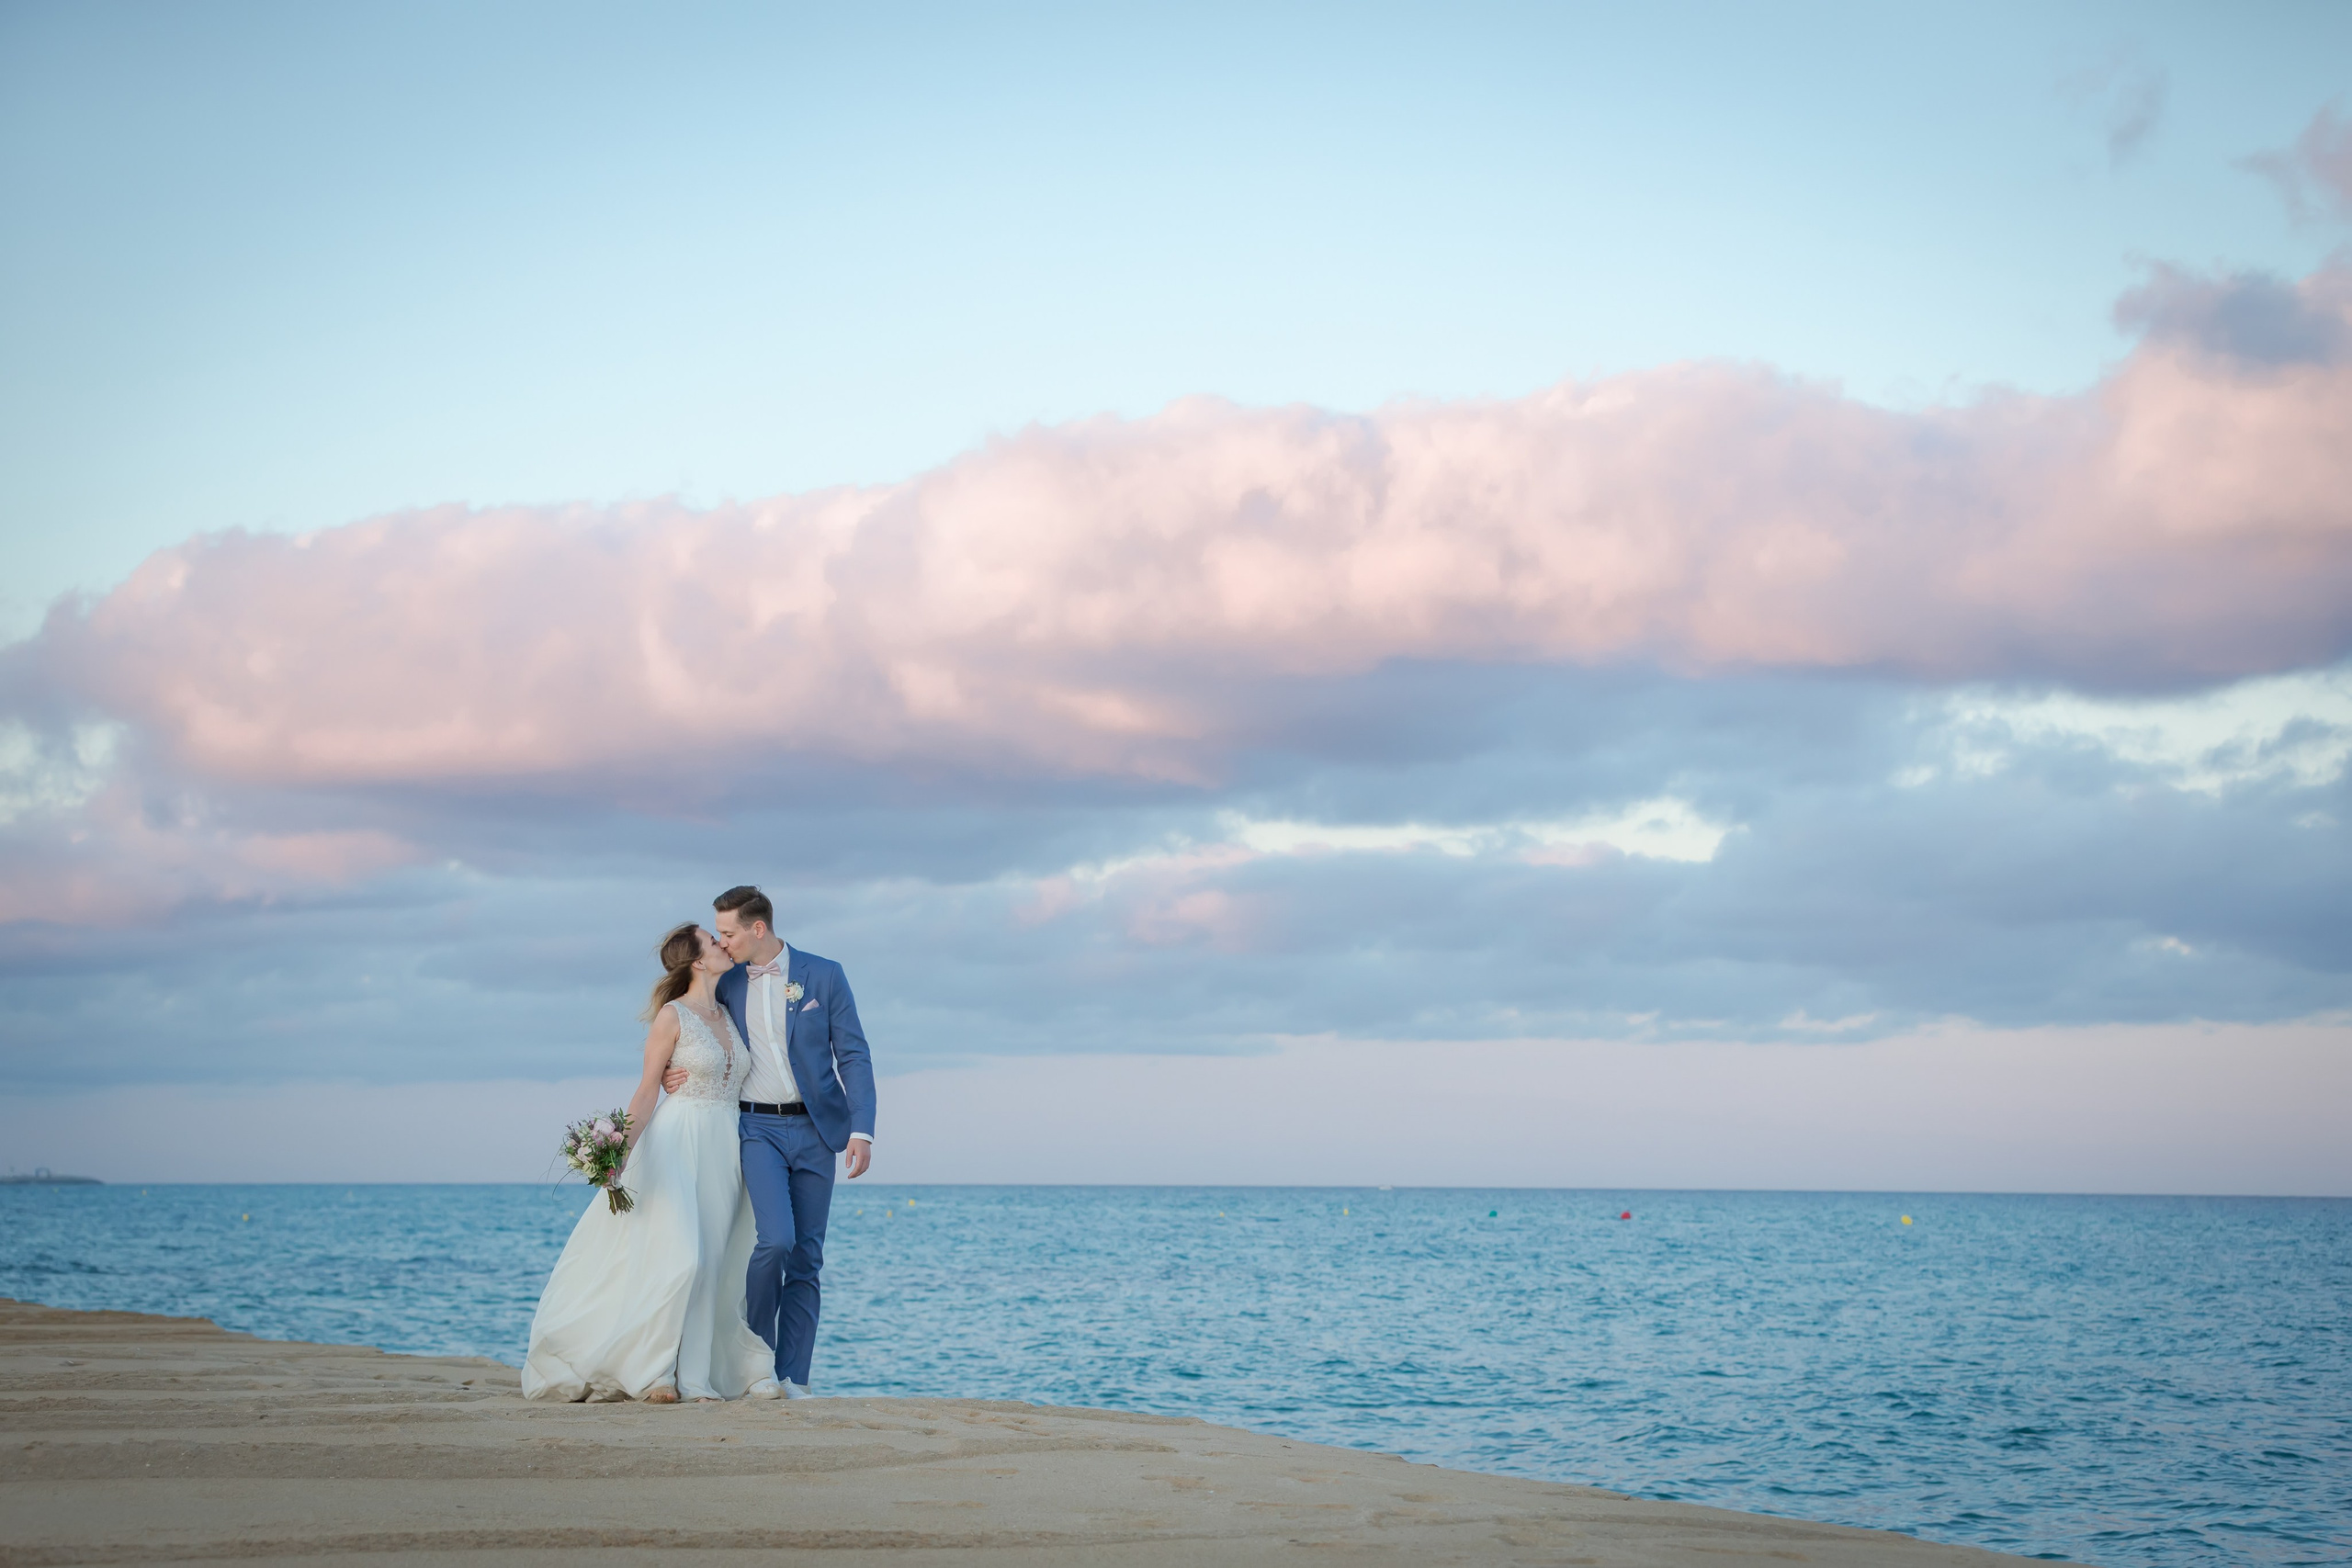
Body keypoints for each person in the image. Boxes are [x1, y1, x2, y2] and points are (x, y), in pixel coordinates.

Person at [523, 923, 781, 1403]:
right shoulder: (672, 1016)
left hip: (725, 1147)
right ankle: (655, 1372)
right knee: (683, 1257)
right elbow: (646, 1090)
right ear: (698, 961)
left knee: (715, 1264)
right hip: (678, 1141)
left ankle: (697, 1380)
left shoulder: (726, 1012)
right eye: (714, 940)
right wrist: (616, 1151)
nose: (724, 944)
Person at [661, 885, 874, 1398]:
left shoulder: (825, 974)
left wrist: (861, 1129)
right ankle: (752, 1365)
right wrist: (674, 1071)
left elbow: (854, 1055)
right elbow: (686, 1020)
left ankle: (792, 1378)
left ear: (758, 929)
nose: (723, 942)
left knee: (807, 1258)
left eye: (729, 933)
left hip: (818, 1131)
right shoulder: (727, 979)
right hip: (755, 1130)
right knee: (773, 1241)